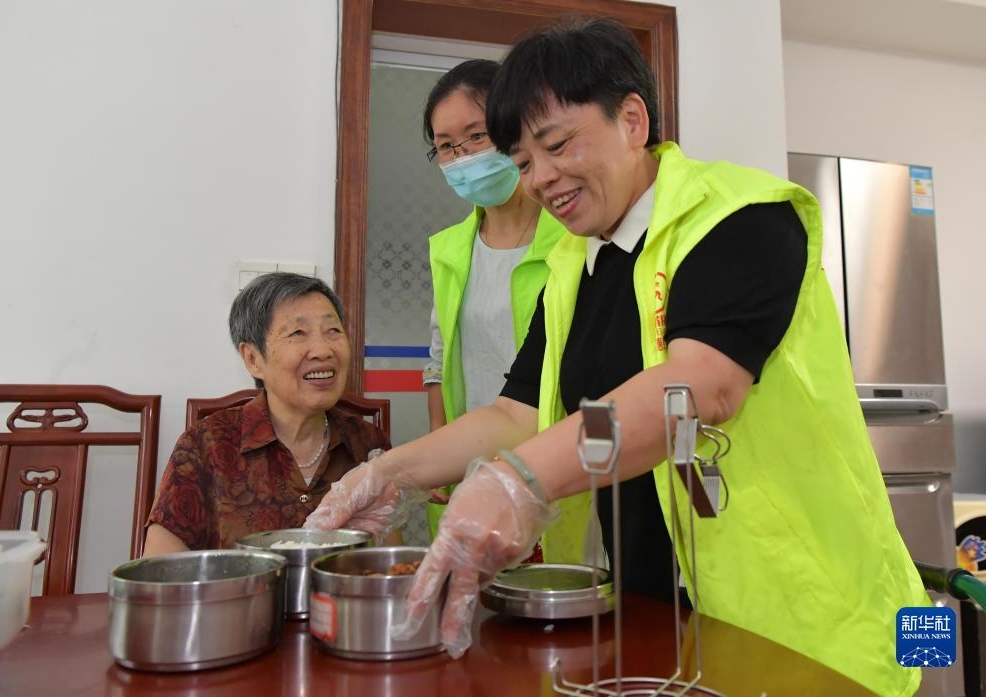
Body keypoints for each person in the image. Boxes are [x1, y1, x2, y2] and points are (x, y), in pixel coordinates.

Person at [307, 16, 927, 697]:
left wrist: (519, 480)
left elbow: (700, 386)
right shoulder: (575, 263)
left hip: (801, 617)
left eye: (556, 145)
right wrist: (387, 473)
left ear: (632, 120)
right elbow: (516, 412)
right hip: (657, 613)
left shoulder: (739, 216)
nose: (542, 179)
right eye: (522, 163)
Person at [420, 59, 587, 560]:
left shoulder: (575, 235)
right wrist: (439, 450)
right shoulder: (450, 249)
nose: (463, 157)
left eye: (476, 136)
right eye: (447, 146)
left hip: (561, 467)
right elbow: (439, 359)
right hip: (473, 466)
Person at [143, 273, 392, 555]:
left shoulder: (367, 444)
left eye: (333, 330)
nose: (323, 350)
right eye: (298, 333)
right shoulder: (206, 445)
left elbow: (389, 566)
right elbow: (160, 570)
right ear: (253, 359)